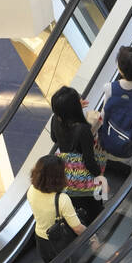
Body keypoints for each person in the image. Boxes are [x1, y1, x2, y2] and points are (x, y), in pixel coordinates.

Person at [49, 86, 106, 222]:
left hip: (67, 172)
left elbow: (54, 138)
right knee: (92, 207)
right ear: (75, 107)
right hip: (83, 177)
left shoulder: (55, 119)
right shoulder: (83, 129)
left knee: (76, 204)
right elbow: (89, 162)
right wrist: (100, 176)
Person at [27, 157, 85, 263]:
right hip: (60, 242)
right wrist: (93, 238)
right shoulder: (62, 199)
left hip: (41, 240)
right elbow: (77, 228)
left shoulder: (31, 190)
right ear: (58, 177)